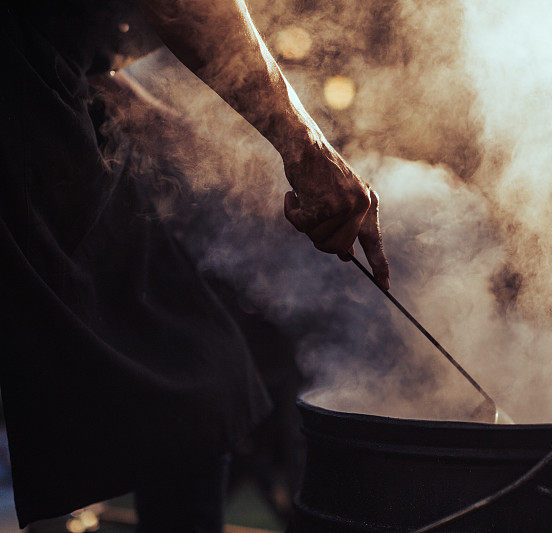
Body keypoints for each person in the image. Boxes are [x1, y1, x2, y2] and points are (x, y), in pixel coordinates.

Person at [0, 0, 389, 530]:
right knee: (197, 378)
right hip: (21, 114)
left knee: (200, 387)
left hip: (43, 96)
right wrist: (306, 148)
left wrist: (160, 122)